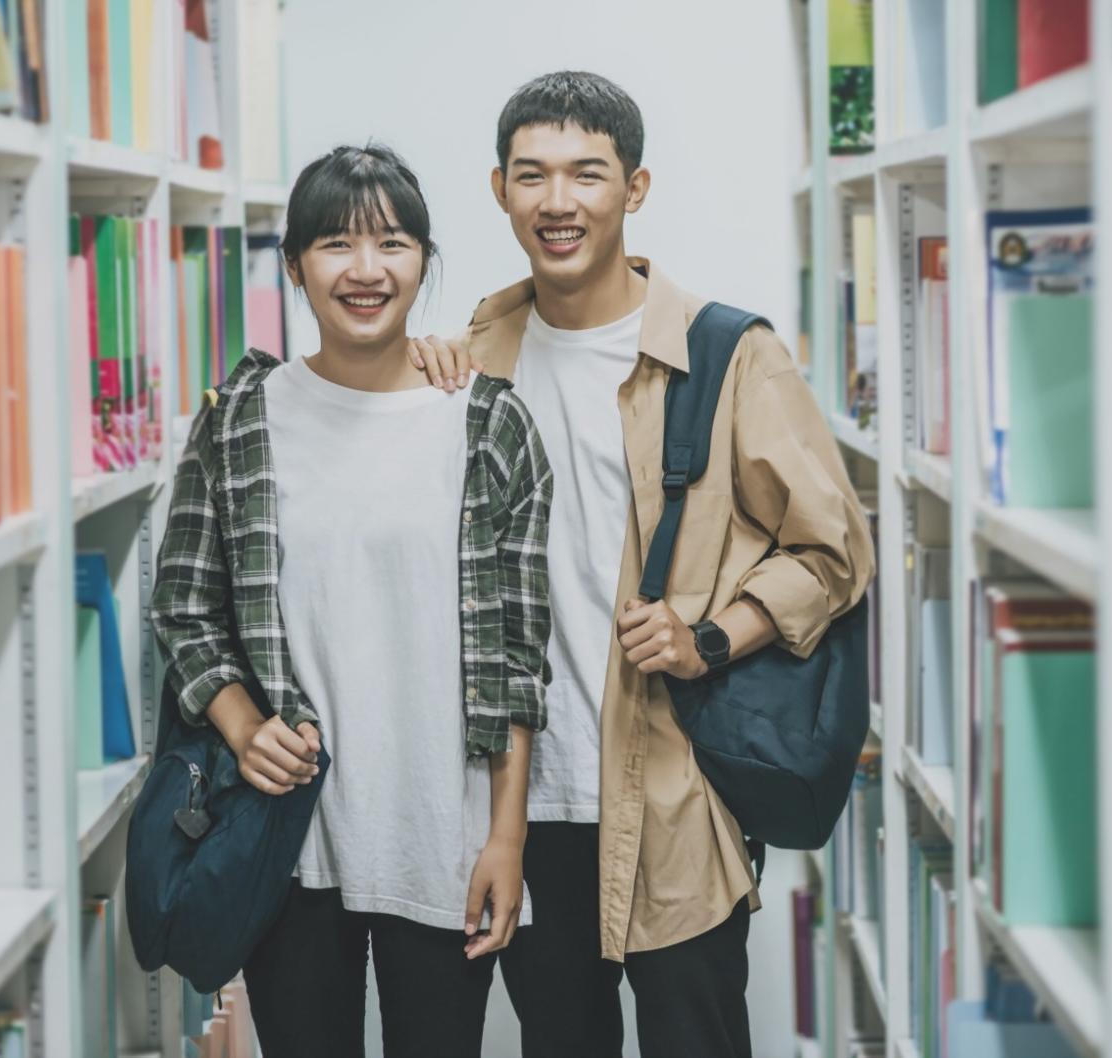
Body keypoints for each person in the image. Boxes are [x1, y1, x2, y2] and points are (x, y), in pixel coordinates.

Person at [410, 71, 876, 1058]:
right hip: (524, 801)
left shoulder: (729, 353)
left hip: (675, 791)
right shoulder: (473, 355)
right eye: (531, 175)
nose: (558, 201)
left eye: (587, 173)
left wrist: (712, 636)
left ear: (635, 187)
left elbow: (833, 549)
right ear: (499, 190)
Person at [151, 143, 554, 1058]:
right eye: (336, 243)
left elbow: (519, 658)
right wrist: (243, 725)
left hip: (442, 837)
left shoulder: (488, 423)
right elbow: (183, 606)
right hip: (285, 839)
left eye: (392, 243)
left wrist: (506, 837)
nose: (366, 270)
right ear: (294, 266)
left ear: (424, 260)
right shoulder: (239, 420)